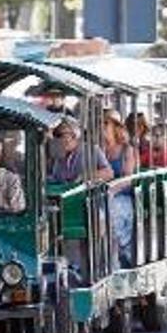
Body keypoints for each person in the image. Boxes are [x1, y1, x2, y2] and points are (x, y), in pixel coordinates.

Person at [102, 109, 135, 268]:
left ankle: (121, 255)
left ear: (115, 127)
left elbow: (128, 178)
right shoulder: (99, 150)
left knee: (112, 209)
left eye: (105, 124)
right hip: (103, 197)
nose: (101, 127)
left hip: (123, 197)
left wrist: (112, 189)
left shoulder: (126, 149)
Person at [48, 121, 113, 183]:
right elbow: (56, 178)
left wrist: (85, 176)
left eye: (61, 135)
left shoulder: (92, 150)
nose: (59, 139)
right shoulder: (59, 155)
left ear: (75, 135)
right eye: (56, 135)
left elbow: (109, 173)